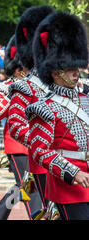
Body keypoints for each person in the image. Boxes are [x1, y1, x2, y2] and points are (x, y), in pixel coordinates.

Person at [25, 12, 89, 220]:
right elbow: (40, 151)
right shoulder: (43, 108)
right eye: (70, 69)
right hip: (69, 185)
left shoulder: (86, 100)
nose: (76, 73)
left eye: (76, 68)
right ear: (55, 72)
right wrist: (72, 173)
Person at [0, 36, 42, 220]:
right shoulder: (4, 89)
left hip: (35, 142)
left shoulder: (36, 86)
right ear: (18, 70)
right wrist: (16, 96)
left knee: (25, 183)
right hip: (17, 145)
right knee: (29, 186)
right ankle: (36, 216)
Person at [7, 5, 56, 210]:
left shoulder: (66, 87)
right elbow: (17, 126)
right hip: (45, 165)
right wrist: (44, 143)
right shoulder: (25, 87)